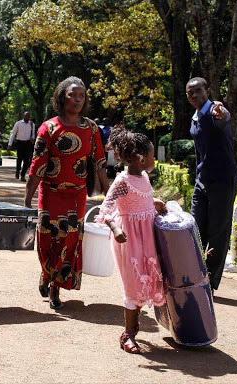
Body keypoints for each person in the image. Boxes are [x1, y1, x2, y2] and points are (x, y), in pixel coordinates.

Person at [24, 77, 109, 310]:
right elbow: (36, 167)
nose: (78, 99)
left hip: (76, 195)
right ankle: (46, 272)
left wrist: (109, 195)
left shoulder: (90, 129)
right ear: (62, 96)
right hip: (50, 193)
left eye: (82, 95)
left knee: (68, 241)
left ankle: (55, 287)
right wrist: (26, 200)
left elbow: (100, 162)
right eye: (73, 94)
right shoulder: (48, 128)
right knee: (45, 240)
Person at [95, 125, 167, 354]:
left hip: (147, 237)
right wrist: (115, 228)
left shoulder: (144, 176)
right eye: (152, 155)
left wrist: (153, 202)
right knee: (132, 285)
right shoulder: (122, 181)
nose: (154, 158)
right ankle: (128, 334)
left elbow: (142, 199)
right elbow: (104, 211)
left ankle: (133, 327)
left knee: (143, 280)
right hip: (128, 239)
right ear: (140, 157)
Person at [186, 77, 237, 295]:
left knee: (218, 232)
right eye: (190, 93)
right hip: (202, 180)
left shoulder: (215, 111)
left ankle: (210, 284)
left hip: (222, 180)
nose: (195, 96)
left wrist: (222, 114)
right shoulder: (195, 117)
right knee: (194, 229)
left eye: (198, 91)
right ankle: (197, 276)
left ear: (208, 90)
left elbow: (223, 118)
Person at [7, 111, 35, 182]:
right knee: (19, 159)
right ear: (23, 116)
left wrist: (32, 138)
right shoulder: (18, 123)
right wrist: (10, 144)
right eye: (26, 116)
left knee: (27, 160)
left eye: (28, 116)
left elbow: (33, 134)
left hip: (27, 143)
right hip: (19, 143)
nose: (27, 117)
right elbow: (13, 134)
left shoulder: (32, 124)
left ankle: (23, 175)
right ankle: (17, 172)